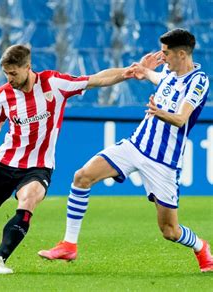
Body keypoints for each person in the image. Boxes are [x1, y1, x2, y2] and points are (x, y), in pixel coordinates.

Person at [0, 44, 139, 274]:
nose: (9, 78)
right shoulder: (4, 94)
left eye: (13, 73)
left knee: (28, 201)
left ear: (28, 67)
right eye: (6, 73)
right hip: (5, 162)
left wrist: (127, 72)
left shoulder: (54, 83)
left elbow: (96, 79)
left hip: (38, 166)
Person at [38, 28, 213, 273]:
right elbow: (160, 80)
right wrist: (144, 72)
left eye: (166, 53)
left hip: (164, 161)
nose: (162, 58)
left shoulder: (199, 81)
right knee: (82, 177)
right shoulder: (168, 73)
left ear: (182, 54)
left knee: (170, 231)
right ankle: (69, 244)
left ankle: (201, 247)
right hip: (136, 145)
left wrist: (159, 112)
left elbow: (182, 118)